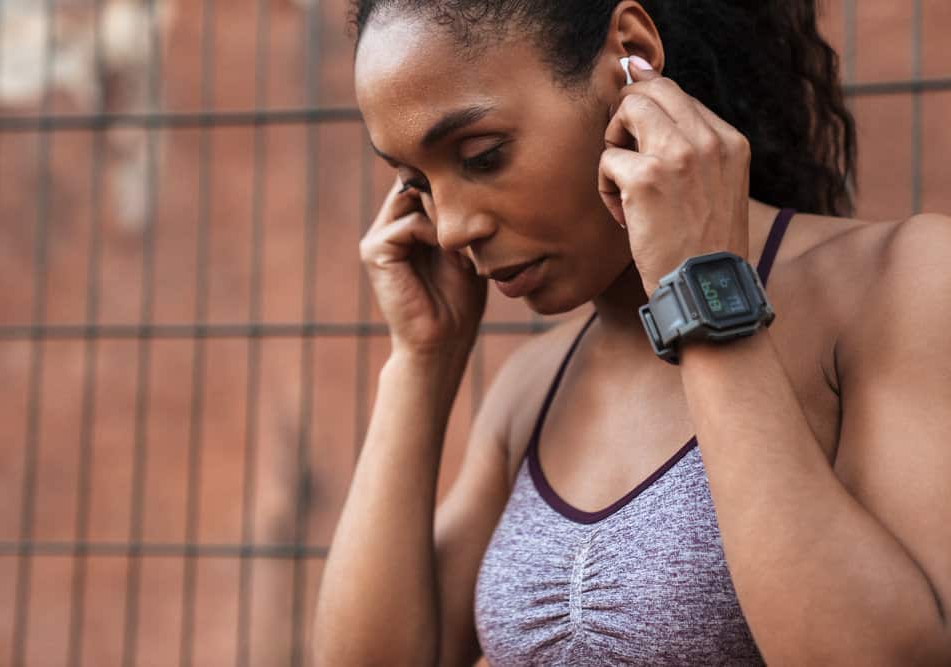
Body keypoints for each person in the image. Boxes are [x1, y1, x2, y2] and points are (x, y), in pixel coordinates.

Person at [312, 1, 951, 664]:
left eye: (482, 156)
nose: (450, 229)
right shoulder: (532, 390)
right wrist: (421, 358)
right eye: (417, 183)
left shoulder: (902, 283)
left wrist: (701, 287)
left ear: (630, 51)